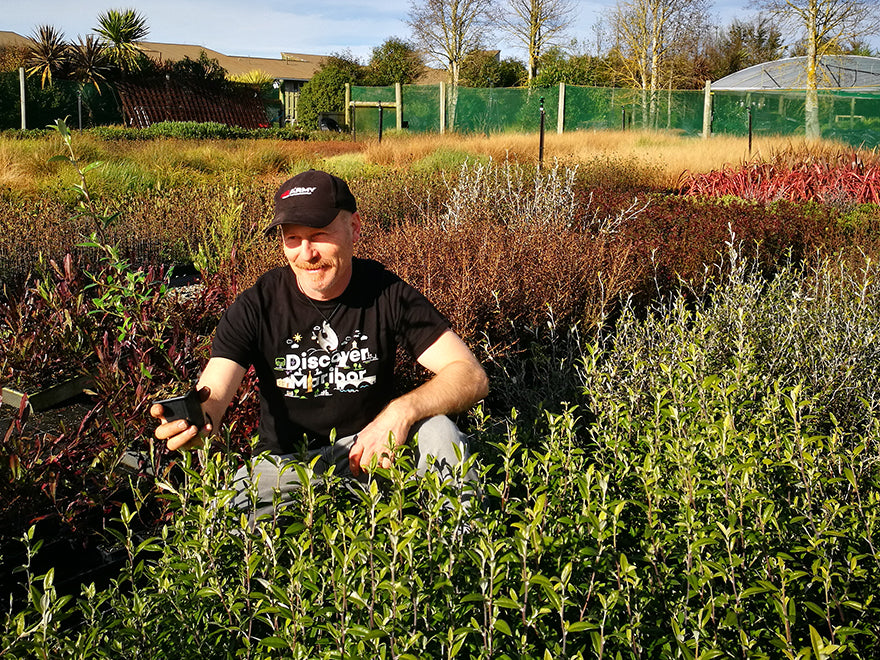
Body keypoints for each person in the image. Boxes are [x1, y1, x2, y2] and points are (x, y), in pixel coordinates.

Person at [151, 169, 489, 519]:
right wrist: (196, 421)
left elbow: (470, 375)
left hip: (372, 448)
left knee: (440, 432)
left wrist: (399, 413)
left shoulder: (386, 293)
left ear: (354, 227)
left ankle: (458, 552)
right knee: (227, 520)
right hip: (287, 463)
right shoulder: (257, 305)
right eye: (292, 238)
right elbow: (216, 391)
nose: (306, 253)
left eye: (319, 234)